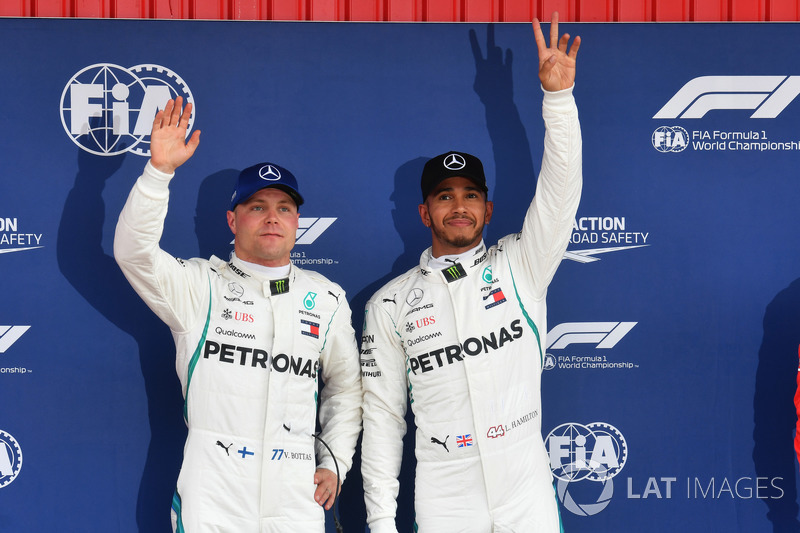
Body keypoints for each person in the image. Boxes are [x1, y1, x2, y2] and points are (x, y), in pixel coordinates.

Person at [360, 13, 581, 532]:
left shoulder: (521, 264)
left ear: (487, 209)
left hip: (525, 487)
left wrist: (558, 100)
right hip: (445, 494)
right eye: (444, 197)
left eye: (470, 196)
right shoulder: (389, 305)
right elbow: (384, 420)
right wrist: (381, 523)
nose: (458, 207)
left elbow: (559, 192)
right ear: (424, 212)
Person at [114, 97, 362, 532]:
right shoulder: (198, 286)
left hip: (297, 487)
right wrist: (159, 172)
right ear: (233, 220)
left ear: (297, 220)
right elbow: (134, 253)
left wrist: (335, 459)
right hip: (216, 486)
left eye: (284, 208)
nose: (272, 218)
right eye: (256, 207)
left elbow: (345, 387)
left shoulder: (326, 298)